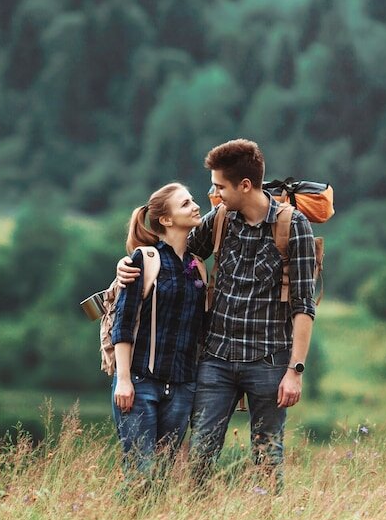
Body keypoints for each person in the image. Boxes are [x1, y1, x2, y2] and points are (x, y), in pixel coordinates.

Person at [117, 139, 316, 492]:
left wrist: (295, 371)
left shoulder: (293, 226)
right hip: (216, 360)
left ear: (244, 185)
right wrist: (129, 263)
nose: (213, 193)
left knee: (268, 456)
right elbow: (173, 257)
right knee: (200, 455)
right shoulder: (221, 219)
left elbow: (304, 304)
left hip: (269, 361)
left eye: (220, 186)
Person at [110, 182, 206, 488]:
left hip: (181, 387)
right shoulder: (145, 259)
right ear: (165, 220)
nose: (195, 206)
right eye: (185, 203)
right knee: (139, 473)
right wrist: (123, 379)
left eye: (193, 201)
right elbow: (123, 324)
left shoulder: (197, 268)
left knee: (163, 476)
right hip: (140, 382)